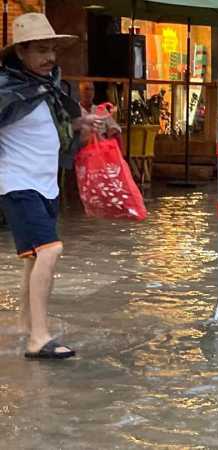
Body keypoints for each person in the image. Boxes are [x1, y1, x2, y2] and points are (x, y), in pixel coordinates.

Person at [0, 13, 100, 359]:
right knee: (50, 250)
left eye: (52, 50)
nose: (50, 58)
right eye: (41, 51)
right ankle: (38, 339)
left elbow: (68, 122)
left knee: (33, 259)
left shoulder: (49, 87)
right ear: (21, 53)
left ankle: (26, 324)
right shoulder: (5, 88)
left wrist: (89, 124)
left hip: (45, 184)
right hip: (17, 183)